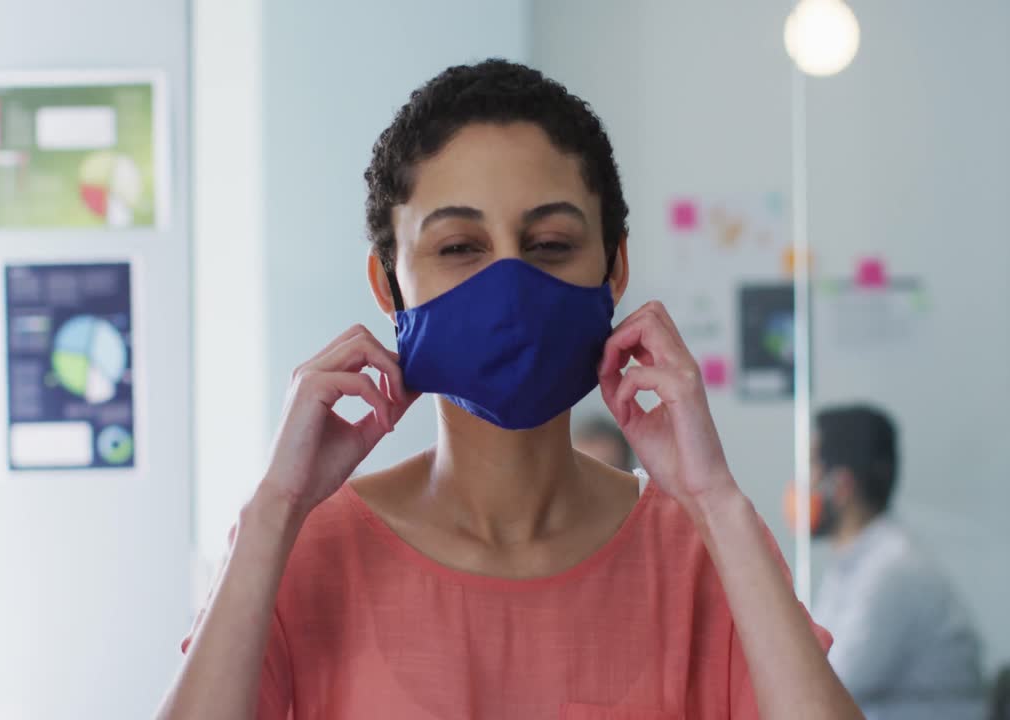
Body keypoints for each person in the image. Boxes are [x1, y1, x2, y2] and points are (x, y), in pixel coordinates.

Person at [159, 59, 861, 720]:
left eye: (551, 243)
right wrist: (274, 509)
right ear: (388, 284)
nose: (509, 289)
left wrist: (717, 503)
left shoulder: (704, 552)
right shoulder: (300, 554)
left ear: (614, 269)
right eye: (459, 247)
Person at [806, 405, 983, 720]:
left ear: (842, 485)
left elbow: (822, 689)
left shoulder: (891, 570)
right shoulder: (855, 561)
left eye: (812, 468)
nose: (803, 483)